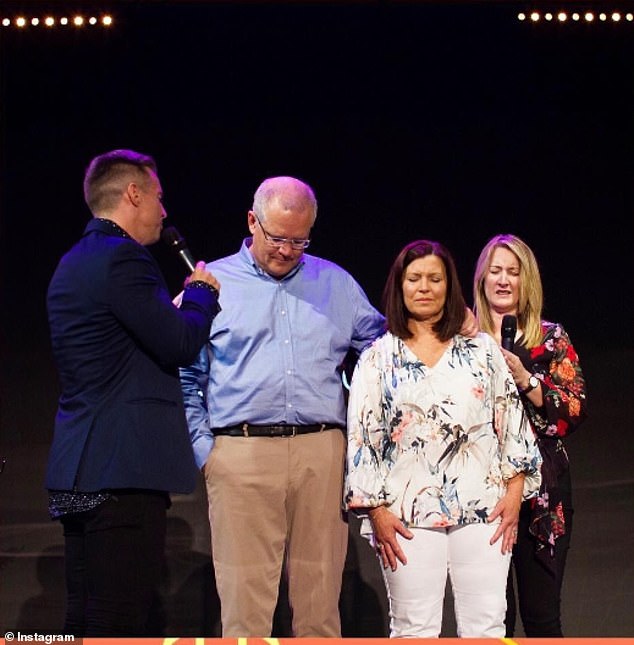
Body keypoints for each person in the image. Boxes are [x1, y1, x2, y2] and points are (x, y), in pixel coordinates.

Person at [179, 175, 386, 637]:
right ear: (252, 221)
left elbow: (385, 349)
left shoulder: (335, 282)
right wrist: (204, 449)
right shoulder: (212, 284)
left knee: (319, 607)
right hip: (240, 452)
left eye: (299, 240)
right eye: (276, 238)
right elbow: (183, 370)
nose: (287, 250)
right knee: (245, 609)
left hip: (322, 453)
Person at [45, 148, 221, 636]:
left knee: (83, 615)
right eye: (159, 198)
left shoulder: (70, 264)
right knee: (119, 619)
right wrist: (202, 294)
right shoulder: (125, 259)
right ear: (133, 194)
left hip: (77, 468)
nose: (164, 213)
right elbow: (179, 343)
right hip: (121, 470)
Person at [344, 239, 542, 638]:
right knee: (414, 628)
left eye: (435, 278)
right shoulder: (378, 358)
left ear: (450, 286)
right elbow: (363, 438)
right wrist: (377, 512)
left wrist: (514, 493)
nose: (424, 287)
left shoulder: (481, 350)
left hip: (483, 510)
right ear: (399, 286)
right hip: (405, 518)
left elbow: (511, 419)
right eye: (414, 278)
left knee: (485, 626)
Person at [472, 233, 587, 637]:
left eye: (513, 272)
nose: (503, 280)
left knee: (542, 617)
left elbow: (574, 410)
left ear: (527, 280)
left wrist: (527, 379)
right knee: (490, 619)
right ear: (482, 279)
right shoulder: (462, 340)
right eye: (495, 271)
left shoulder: (551, 338)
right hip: (482, 492)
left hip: (544, 496)